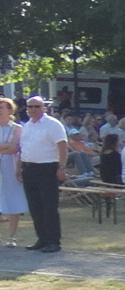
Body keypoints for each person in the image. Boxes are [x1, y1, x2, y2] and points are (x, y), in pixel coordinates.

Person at [19, 96, 69, 252]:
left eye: (36, 106)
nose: (33, 109)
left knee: (49, 206)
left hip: (47, 168)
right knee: (35, 206)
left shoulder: (53, 124)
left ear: (44, 108)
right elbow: (24, 148)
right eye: (30, 107)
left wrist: (61, 167)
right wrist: (20, 167)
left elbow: (62, 146)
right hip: (29, 168)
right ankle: (42, 238)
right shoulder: (27, 125)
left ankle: (53, 241)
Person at [0, 99, 24, 246]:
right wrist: (6, 146)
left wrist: (8, 147)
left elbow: (14, 148)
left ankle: (11, 237)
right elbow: (9, 147)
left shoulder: (17, 128)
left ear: (10, 110)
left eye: (1, 108)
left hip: (11, 167)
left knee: (13, 201)